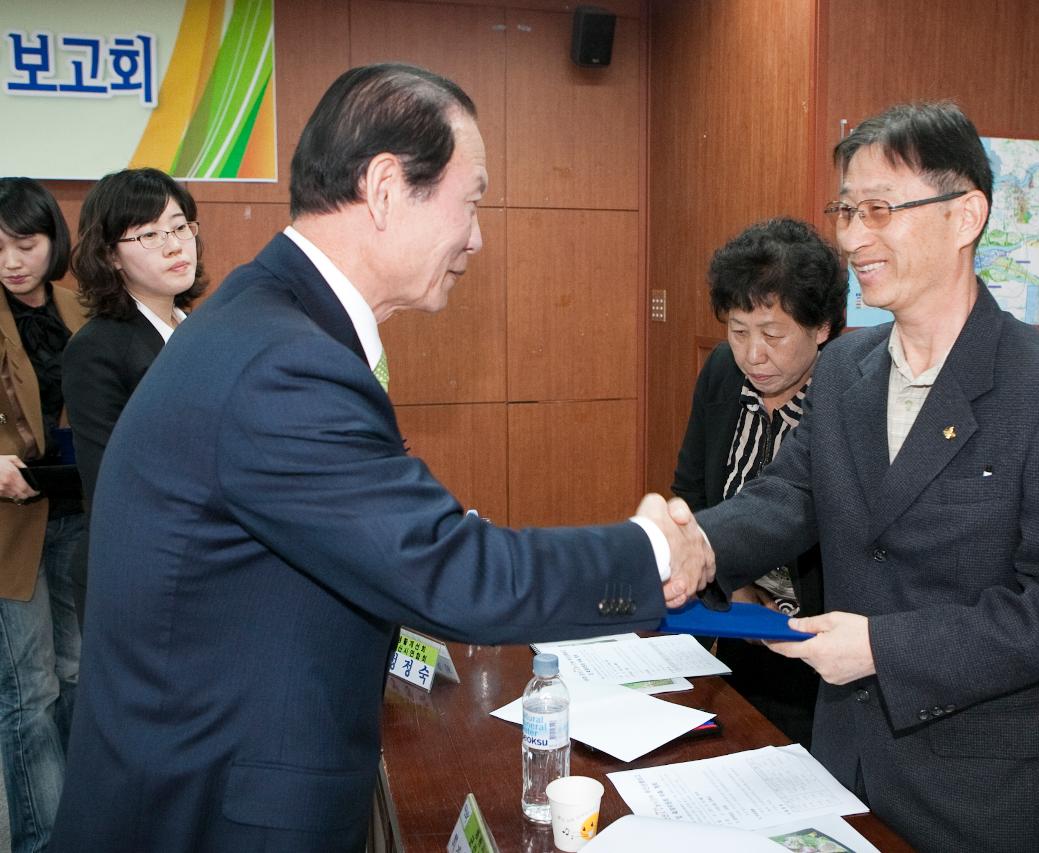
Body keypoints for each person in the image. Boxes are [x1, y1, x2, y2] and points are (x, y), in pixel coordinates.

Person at [50, 64, 711, 853]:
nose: (477, 235)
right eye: (470, 201)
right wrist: (648, 550)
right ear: (388, 186)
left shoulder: (268, 321)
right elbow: (448, 572)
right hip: (210, 813)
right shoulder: (283, 362)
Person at [695, 102, 1039, 852]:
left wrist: (882, 648)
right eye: (845, 210)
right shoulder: (843, 369)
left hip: (986, 793)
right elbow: (788, 496)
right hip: (847, 762)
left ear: (965, 216)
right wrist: (688, 546)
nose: (851, 237)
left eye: (879, 210)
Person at [672, 217, 846, 746]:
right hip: (732, 620)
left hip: (820, 646)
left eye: (773, 334)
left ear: (821, 328)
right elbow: (693, 490)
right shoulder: (724, 370)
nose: (753, 354)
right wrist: (736, 584)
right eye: (738, 330)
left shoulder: (846, 390)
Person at [60, 168, 206, 626]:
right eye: (148, 235)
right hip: (140, 576)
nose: (173, 244)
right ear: (111, 256)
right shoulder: (97, 346)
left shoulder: (203, 331)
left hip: (207, 565)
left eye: (180, 226)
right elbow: (110, 482)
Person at [0, 178, 87, 853]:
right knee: (28, 690)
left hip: (77, 510)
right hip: (11, 525)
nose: (10, 259)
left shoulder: (77, 305)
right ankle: (42, 840)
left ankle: (88, 822)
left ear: (52, 240)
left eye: (24, 243)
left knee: (76, 670)